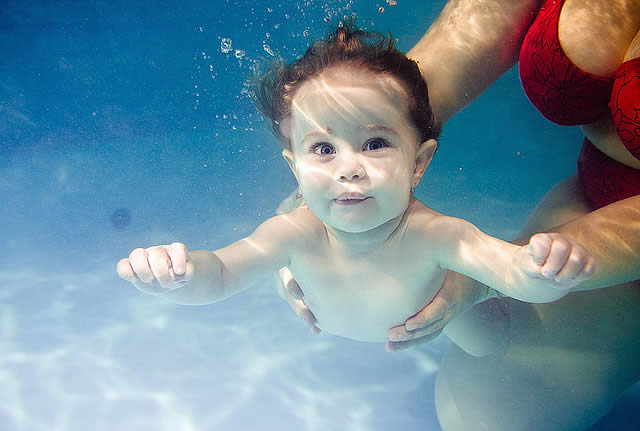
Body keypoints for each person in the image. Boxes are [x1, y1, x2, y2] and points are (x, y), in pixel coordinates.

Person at [116, 26, 595, 352]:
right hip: (355, 317)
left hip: (443, 315)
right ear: (295, 167)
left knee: (491, 344)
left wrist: (543, 271)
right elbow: (219, 273)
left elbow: (509, 272)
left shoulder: (437, 234)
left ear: (419, 163)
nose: (350, 169)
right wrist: (176, 276)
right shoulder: (293, 232)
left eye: (374, 143)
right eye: (323, 149)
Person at [278, 1, 640, 430]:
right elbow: (451, 50)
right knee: (484, 415)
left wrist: (482, 277)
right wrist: (313, 207)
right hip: (594, 194)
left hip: (620, 244)